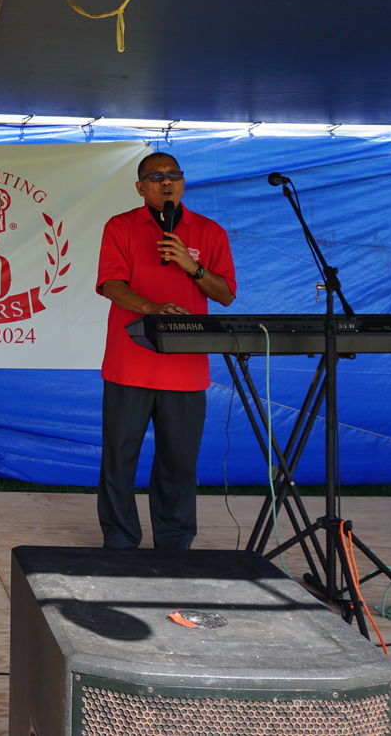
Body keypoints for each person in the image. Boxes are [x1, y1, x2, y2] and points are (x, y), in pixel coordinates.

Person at [95, 151, 236, 550]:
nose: (167, 182)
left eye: (174, 175)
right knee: (119, 460)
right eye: (156, 177)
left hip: (186, 369)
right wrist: (152, 309)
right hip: (130, 364)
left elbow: (225, 294)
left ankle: (174, 542)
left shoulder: (208, 232)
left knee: (178, 462)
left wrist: (191, 267)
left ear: (184, 182)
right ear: (141, 188)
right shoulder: (120, 227)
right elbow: (111, 284)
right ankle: (120, 540)